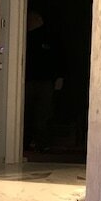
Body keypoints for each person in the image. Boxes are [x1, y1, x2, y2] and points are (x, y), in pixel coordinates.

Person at [23, 11, 65, 152]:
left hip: (45, 81)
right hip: (28, 80)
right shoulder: (23, 37)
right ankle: (27, 142)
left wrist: (59, 77)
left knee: (43, 113)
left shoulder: (49, 37)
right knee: (28, 112)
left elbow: (59, 57)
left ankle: (41, 143)